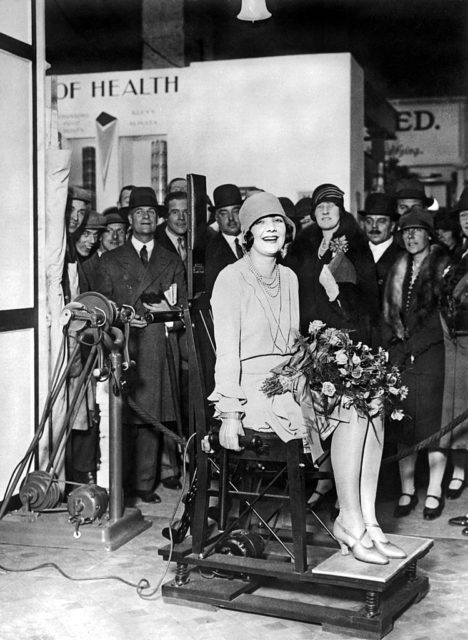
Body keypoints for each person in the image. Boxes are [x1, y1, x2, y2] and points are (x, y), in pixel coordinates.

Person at [210, 191, 396, 564]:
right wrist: (230, 414)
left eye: (277, 221)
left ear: (288, 230)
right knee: (349, 408)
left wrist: (320, 370)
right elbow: (227, 353)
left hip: (291, 381)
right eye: (261, 223)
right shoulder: (230, 280)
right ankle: (350, 520)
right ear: (247, 233)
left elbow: (294, 344)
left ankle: (367, 518)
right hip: (254, 392)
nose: (270, 229)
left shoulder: (290, 277)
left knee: (370, 401)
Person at [285, 184, 380, 515]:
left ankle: (345, 491)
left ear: (341, 210)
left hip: (345, 339)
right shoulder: (306, 242)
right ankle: (324, 480)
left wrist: (337, 290)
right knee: (315, 413)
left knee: (344, 417)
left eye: (331, 206)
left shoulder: (354, 244)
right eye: (319, 207)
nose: (325, 211)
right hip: (311, 337)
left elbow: (367, 298)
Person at [96, 186, 187, 502]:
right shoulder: (110, 261)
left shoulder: (170, 260)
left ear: (157, 218)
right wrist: (122, 318)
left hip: (159, 346)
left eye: (151, 212)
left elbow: (183, 309)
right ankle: (122, 484)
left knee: (152, 418)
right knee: (125, 418)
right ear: (130, 219)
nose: (146, 217)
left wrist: (166, 317)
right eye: (139, 212)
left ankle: (146, 484)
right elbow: (100, 308)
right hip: (125, 347)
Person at [383, 206, 449, 520]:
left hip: (432, 355)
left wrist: (415, 347)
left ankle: (434, 491)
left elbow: (444, 319)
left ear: (428, 233)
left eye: (417, 230)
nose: (411, 236)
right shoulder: (398, 267)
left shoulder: (443, 266)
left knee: (434, 427)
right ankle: (407, 490)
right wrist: (396, 352)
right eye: (406, 231)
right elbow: (388, 318)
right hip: (401, 358)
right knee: (402, 426)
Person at [439, 188, 468, 503]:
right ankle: (460, 472)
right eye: (464, 215)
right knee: (459, 413)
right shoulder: (457, 252)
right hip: (456, 342)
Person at [359, 192, 404, 302]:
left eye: (381, 221)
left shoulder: (403, 257)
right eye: (369, 221)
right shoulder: (355, 254)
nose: (374, 226)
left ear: (392, 226)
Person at [205, 183, 244, 294]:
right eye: (224, 213)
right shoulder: (208, 252)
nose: (231, 218)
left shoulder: (258, 245)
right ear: (217, 217)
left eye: (235, 211)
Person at [81, 209, 128, 291]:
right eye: (109, 231)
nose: (115, 236)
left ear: (126, 236)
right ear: (100, 236)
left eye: (120, 231)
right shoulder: (86, 268)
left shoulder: (132, 263)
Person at [155, 191, 188, 266]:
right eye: (175, 212)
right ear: (166, 216)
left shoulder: (198, 241)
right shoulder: (155, 241)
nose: (181, 217)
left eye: (186, 212)